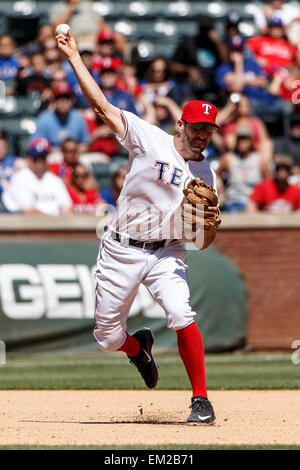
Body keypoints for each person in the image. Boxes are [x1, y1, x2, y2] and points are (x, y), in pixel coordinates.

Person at [56, 27, 221, 425]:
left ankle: (201, 399)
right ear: (181, 125)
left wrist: (204, 228)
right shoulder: (150, 138)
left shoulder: (207, 175)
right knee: (107, 339)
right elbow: (102, 108)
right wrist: (74, 55)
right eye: (196, 126)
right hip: (122, 247)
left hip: (166, 250)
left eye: (208, 129)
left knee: (182, 313)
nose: (201, 134)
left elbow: (199, 238)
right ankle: (137, 348)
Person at [215, 35, 282, 120]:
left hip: (266, 99)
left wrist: (239, 79)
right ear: (229, 51)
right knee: (247, 106)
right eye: (234, 50)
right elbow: (237, 88)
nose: (236, 53)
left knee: (285, 107)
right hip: (248, 102)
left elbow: (263, 81)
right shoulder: (223, 68)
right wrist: (239, 64)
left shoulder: (251, 63)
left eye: (239, 50)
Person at [2, 138, 73, 215]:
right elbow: (28, 211)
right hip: (27, 225)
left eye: (42, 157)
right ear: (29, 159)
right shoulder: (19, 178)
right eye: (36, 158)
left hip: (57, 224)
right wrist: (54, 221)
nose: (40, 161)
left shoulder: (55, 180)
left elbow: (67, 207)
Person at [170, 15, 228, 101]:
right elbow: (172, 65)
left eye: (208, 29)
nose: (205, 32)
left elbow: (226, 61)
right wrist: (189, 69)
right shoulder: (188, 43)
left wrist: (218, 42)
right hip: (193, 83)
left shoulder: (218, 44)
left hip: (214, 82)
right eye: (203, 29)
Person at [216, 126, 271, 212]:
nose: (242, 142)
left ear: (251, 141)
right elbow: (214, 175)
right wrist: (220, 188)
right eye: (240, 139)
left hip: (253, 203)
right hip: (232, 201)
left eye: (245, 139)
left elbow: (269, 182)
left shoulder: (259, 160)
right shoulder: (228, 158)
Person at [33, 83, 90, 154]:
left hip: (75, 155)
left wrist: (71, 153)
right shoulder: (44, 119)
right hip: (52, 156)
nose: (63, 101)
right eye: (59, 98)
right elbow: (36, 145)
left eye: (66, 98)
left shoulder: (78, 117)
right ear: (53, 101)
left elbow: (85, 144)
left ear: (72, 101)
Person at [219, 94, 273, 161]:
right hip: (235, 155)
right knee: (230, 139)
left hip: (254, 154)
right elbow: (214, 123)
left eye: (245, 104)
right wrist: (229, 107)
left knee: (267, 144)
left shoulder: (256, 122)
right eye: (240, 104)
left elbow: (264, 140)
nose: (242, 106)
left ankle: (264, 167)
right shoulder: (229, 122)